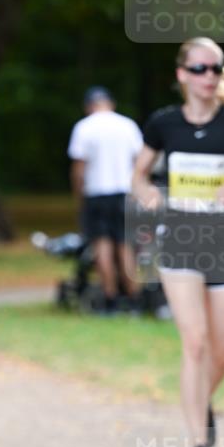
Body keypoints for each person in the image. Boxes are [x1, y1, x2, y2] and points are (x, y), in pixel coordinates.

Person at [131, 37, 224, 447]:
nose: (208, 76)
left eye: (215, 68)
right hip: (179, 240)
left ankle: (201, 402)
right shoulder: (163, 123)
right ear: (182, 75)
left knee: (222, 352)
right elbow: (137, 175)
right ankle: (196, 445)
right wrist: (148, 194)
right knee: (194, 343)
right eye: (199, 69)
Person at [68, 86, 144, 314]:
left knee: (102, 247)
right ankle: (132, 299)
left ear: (88, 106)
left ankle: (109, 299)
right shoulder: (127, 125)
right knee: (126, 247)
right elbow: (140, 162)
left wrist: (78, 197)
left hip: (97, 193)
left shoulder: (84, 127)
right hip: (124, 192)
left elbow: (79, 169)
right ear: (111, 103)